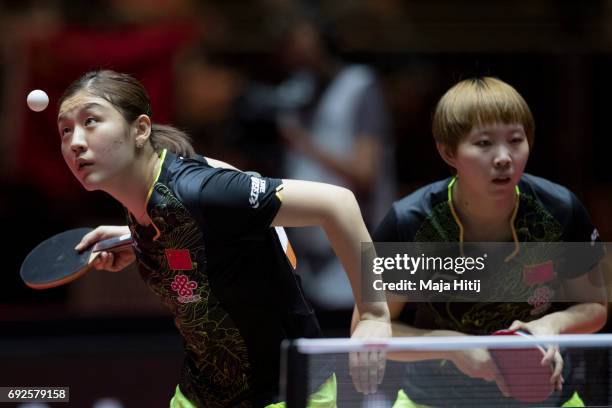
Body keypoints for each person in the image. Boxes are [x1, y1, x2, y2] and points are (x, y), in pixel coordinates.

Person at [56, 70, 390, 407]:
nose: (75, 141)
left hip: (283, 394)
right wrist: (139, 239)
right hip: (199, 395)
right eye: (65, 130)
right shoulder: (143, 205)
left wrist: (374, 314)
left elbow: (338, 204)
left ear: (140, 129)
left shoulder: (202, 192)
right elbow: (210, 232)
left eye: (91, 121)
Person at [367, 77, 607, 407]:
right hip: (433, 400)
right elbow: (372, 326)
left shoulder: (560, 209)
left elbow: (595, 306)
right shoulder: (411, 223)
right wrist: (450, 346)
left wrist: (549, 325)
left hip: (550, 397)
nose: (504, 157)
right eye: (483, 143)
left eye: (515, 140)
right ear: (448, 151)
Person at [274, 18, 396, 309]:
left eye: (306, 50)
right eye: (292, 52)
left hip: (352, 256)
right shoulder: (294, 91)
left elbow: (364, 175)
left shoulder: (359, 86)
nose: (299, 59)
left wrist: (304, 143)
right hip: (303, 254)